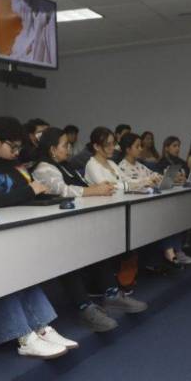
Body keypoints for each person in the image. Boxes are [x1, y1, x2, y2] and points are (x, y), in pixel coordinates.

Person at [0, 116, 78, 358]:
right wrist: (29, 190)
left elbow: (28, 192)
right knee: (4, 277)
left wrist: (37, 192)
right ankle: (23, 335)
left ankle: (42, 327)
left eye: (19, 147)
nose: (17, 152)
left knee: (25, 274)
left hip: (16, 232)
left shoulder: (13, 164)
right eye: (13, 146)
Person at [32, 128, 147, 331]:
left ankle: (111, 294)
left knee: (97, 247)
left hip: (75, 221)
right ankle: (84, 307)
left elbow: (81, 185)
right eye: (65, 145)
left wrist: (97, 188)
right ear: (52, 149)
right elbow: (62, 191)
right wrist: (93, 190)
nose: (69, 149)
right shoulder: (44, 168)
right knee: (69, 258)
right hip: (55, 229)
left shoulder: (65, 165)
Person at [118, 132, 191, 267]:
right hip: (138, 207)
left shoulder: (139, 165)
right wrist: (149, 180)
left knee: (173, 212)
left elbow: (155, 175)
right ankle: (172, 253)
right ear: (128, 149)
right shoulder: (122, 167)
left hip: (150, 203)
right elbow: (132, 185)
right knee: (166, 215)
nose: (141, 149)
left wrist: (169, 178)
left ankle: (174, 251)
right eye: (137, 146)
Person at [84, 127, 151, 193]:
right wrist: (127, 185)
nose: (113, 147)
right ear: (96, 146)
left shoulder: (111, 163)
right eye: (108, 144)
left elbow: (127, 179)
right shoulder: (92, 165)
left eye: (113, 143)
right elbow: (106, 187)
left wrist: (146, 181)